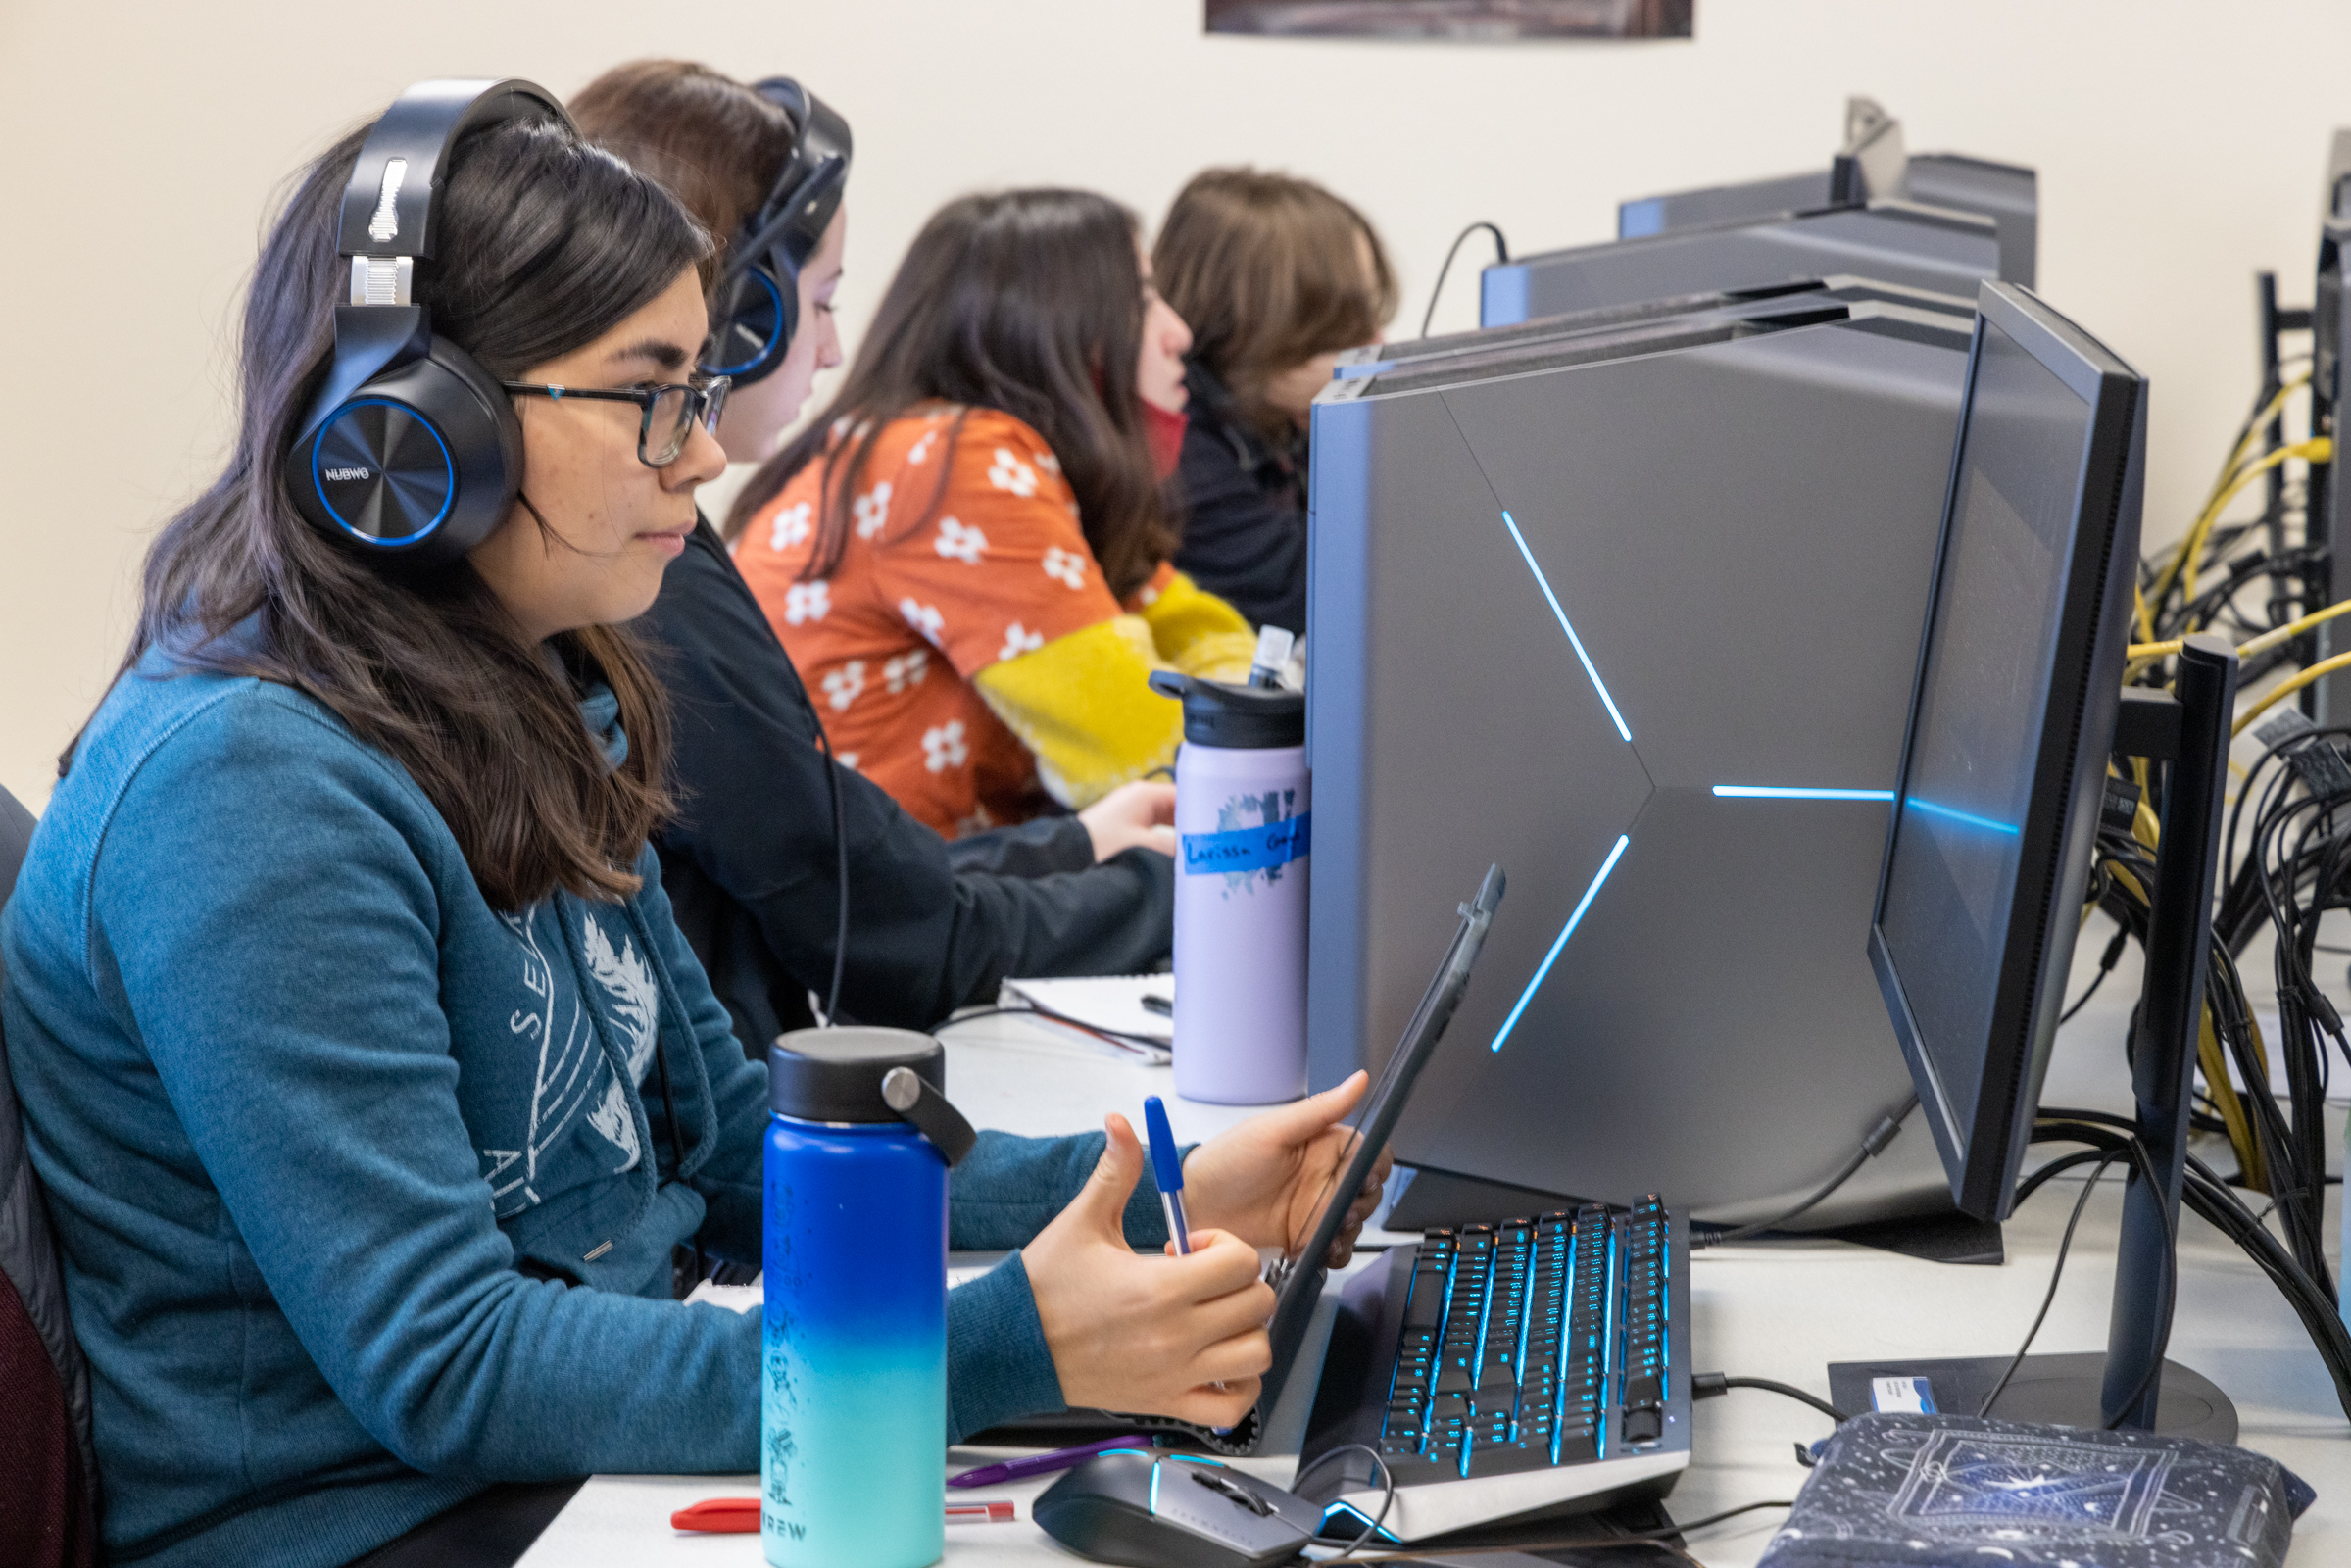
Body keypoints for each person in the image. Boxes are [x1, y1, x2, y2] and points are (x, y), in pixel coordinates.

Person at [0, 89, 1388, 1568]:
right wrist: (999, 1350)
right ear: (417, 432)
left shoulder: (539, 679)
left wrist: (1154, 1181)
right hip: (374, 1527)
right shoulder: (245, 792)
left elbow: (730, 1151)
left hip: (571, 1471)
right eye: (649, 390)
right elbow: (446, 1363)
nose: (706, 452)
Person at [566, 62, 1176, 1051]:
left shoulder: (670, 537)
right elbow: (878, 930)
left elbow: (848, 866)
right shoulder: (644, 572)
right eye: (823, 300)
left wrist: (1077, 844)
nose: (836, 349)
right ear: (743, 317)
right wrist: (1173, 889)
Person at [730, 189, 1259, 841]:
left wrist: (1241, 708)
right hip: (883, 916)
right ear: (1060, 324)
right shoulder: (947, 462)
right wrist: (1243, 712)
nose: (1179, 332)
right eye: (1146, 298)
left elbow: (1219, 645)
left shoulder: (976, 459)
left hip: (942, 896)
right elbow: (1146, 750)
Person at [1152, 168, 1397, 637]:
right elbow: (1326, 603)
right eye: (1343, 326)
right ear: (1255, 330)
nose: (1377, 341)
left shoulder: (1281, 418)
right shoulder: (1183, 459)